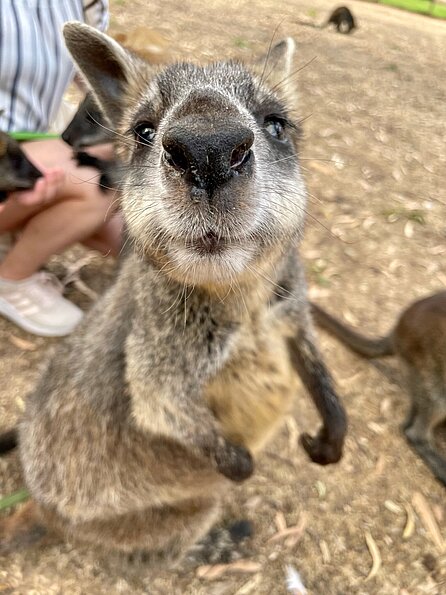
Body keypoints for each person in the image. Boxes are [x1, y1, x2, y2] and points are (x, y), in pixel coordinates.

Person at [0, 0, 122, 337]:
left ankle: (16, 234)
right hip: (10, 156)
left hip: (27, 142)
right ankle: (11, 278)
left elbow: (94, 74)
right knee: (98, 184)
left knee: (125, 237)